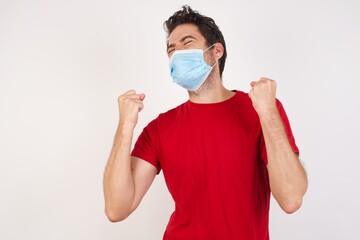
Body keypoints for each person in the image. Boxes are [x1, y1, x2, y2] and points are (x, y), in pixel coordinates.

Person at [103, 5, 307, 240]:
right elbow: (116, 209)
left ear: (216, 51)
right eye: (171, 49)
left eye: (187, 42)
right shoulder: (159, 129)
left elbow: (291, 199)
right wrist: (125, 127)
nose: (177, 53)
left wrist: (269, 113)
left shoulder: (261, 110)